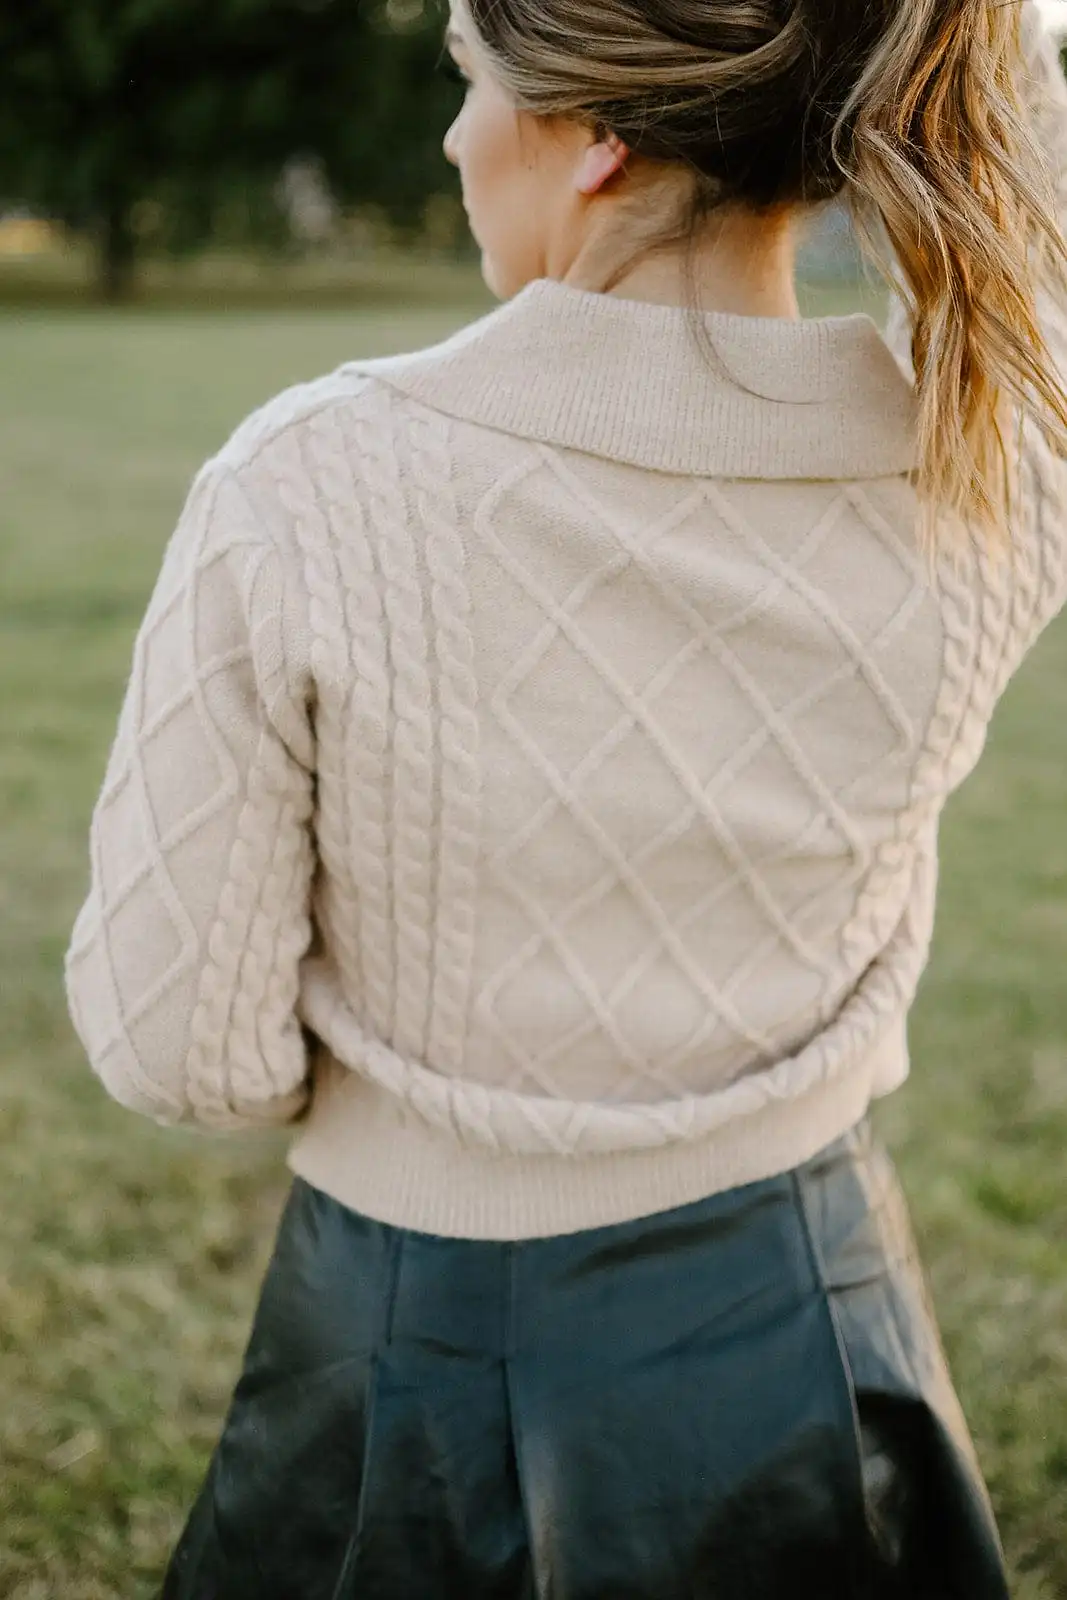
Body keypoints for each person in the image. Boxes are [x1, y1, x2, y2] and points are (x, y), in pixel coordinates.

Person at [64, 1, 1067, 1594]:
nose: (456, 139)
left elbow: (180, 1051)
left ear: (596, 139)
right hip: (818, 1319)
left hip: (407, 1348)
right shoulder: (992, 468)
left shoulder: (305, 484)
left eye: (469, 80)